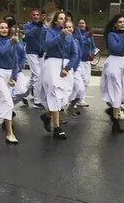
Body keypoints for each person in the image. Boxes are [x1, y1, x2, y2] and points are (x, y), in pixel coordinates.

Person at [39, 11, 78, 140]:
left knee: (64, 97)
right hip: (52, 64)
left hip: (65, 67)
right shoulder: (50, 32)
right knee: (55, 94)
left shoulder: (70, 36)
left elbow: (74, 54)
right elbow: (47, 46)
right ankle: (57, 128)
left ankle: (47, 115)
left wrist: (68, 68)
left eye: (64, 19)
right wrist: (60, 36)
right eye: (60, 19)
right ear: (56, 21)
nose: (63, 20)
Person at [100, 14, 124, 134]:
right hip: (114, 62)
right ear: (115, 24)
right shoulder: (112, 35)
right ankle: (115, 121)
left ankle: (113, 109)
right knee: (116, 91)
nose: (123, 24)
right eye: (120, 22)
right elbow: (116, 49)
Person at [69, 18, 96, 113]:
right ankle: (73, 100)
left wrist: (92, 53)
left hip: (87, 61)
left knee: (87, 81)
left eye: (83, 23)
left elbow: (93, 46)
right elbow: (79, 42)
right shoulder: (76, 34)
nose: (81, 24)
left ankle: (81, 99)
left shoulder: (89, 35)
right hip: (79, 60)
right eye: (80, 23)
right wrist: (86, 36)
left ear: (86, 24)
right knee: (79, 81)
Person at [23, 9, 45, 108]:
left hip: (40, 53)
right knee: (38, 75)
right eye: (34, 15)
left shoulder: (43, 27)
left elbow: (44, 39)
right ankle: (37, 100)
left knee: (35, 76)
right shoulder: (27, 26)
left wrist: (43, 50)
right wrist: (37, 27)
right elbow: (28, 35)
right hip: (31, 52)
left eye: (38, 15)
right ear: (31, 17)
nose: (36, 16)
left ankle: (23, 93)